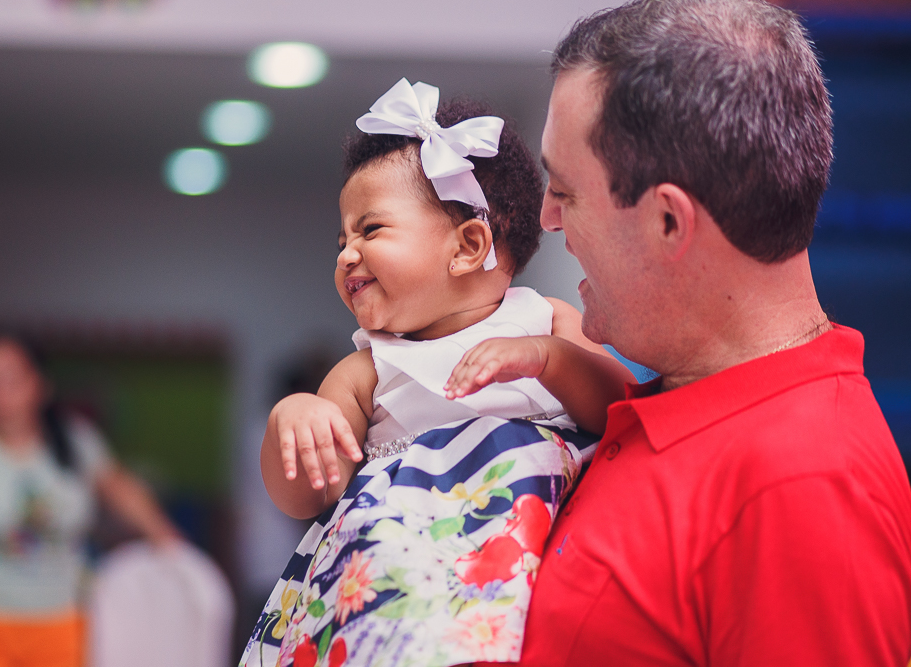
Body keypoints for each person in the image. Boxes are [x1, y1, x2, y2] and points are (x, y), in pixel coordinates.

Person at [449, 0, 911, 665]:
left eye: (565, 193)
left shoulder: (803, 487)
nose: (550, 220)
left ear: (669, 220)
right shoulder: (676, 404)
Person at [240, 79, 635, 667]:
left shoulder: (546, 321)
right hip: (399, 590)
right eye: (342, 238)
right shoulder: (366, 369)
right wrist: (294, 419)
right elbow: (305, 495)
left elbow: (619, 408)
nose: (346, 253)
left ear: (468, 246)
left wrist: (546, 360)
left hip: (532, 569)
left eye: (370, 230)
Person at [0, 335, 181, 667]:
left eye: (11, 377)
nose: (0, 390)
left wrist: (166, 538)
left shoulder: (76, 440)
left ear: (39, 384)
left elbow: (119, 488)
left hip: (64, 625)